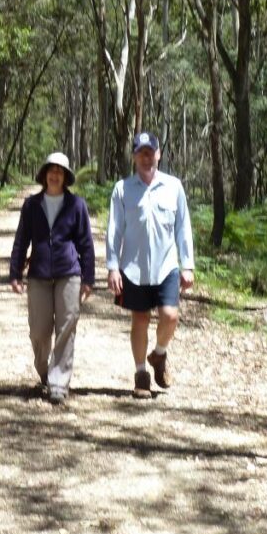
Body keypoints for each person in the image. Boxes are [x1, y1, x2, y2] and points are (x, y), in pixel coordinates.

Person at [106, 132, 195, 399]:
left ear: (158, 154)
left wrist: (187, 265)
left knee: (170, 315)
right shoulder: (122, 189)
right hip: (134, 268)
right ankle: (141, 374)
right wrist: (112, 266)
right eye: (141, 153)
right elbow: (114, 230)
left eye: (150, 152)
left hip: (166, 266)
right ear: (134, 157)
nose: (146, 158)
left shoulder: (173, 186)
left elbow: (183, 227)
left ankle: (159, 354)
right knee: (140, 319)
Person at [9, 152, 95, 405]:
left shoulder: (76, 205)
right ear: (44, 174)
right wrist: (15, 272)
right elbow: (21, 239)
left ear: (66, 177)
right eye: (51, 170)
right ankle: (44, 370)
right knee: (39, 330)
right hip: (38, 274)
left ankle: (59, 382)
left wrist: (88, 277)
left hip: (69, 273)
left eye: (60, 171)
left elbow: (86, 243)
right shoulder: (31, 205)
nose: (55, 175)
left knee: (66, 327)